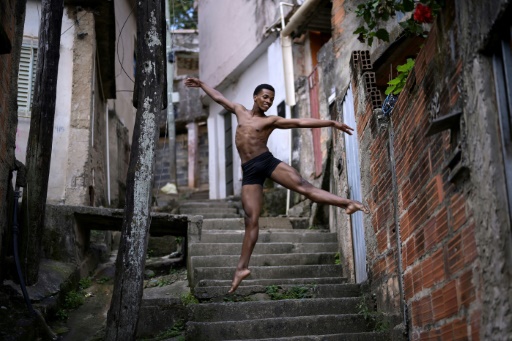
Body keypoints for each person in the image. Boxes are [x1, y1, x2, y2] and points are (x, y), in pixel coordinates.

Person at [184, 77, 370, 293]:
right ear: (255, 97)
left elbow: (299, 122)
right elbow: (218, 97)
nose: (268, 102)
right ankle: (241, 269)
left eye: (271, 99)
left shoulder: (270, 120)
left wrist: (331, 123)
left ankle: (348, 203)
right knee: (251, 219)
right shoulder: (239, 111)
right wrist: (201, 84)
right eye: (265, 97)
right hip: (250, 171)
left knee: (303, 187)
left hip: (266, 162)